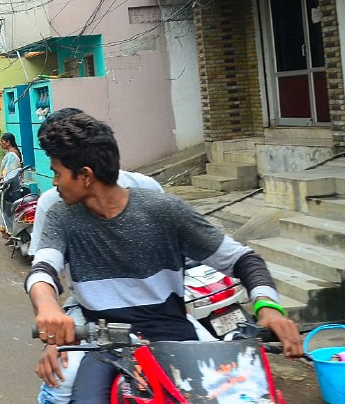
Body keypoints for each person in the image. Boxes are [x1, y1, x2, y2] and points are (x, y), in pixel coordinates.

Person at [26, 112, 303, 402]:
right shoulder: (61, 215)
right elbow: (43, 269)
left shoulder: (164, 210)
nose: (55, 182)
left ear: (85, 176)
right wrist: (49, 309)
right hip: (104, 342)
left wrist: (268, 307)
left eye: (57, 173)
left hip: (173, 336)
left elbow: (244, 260)